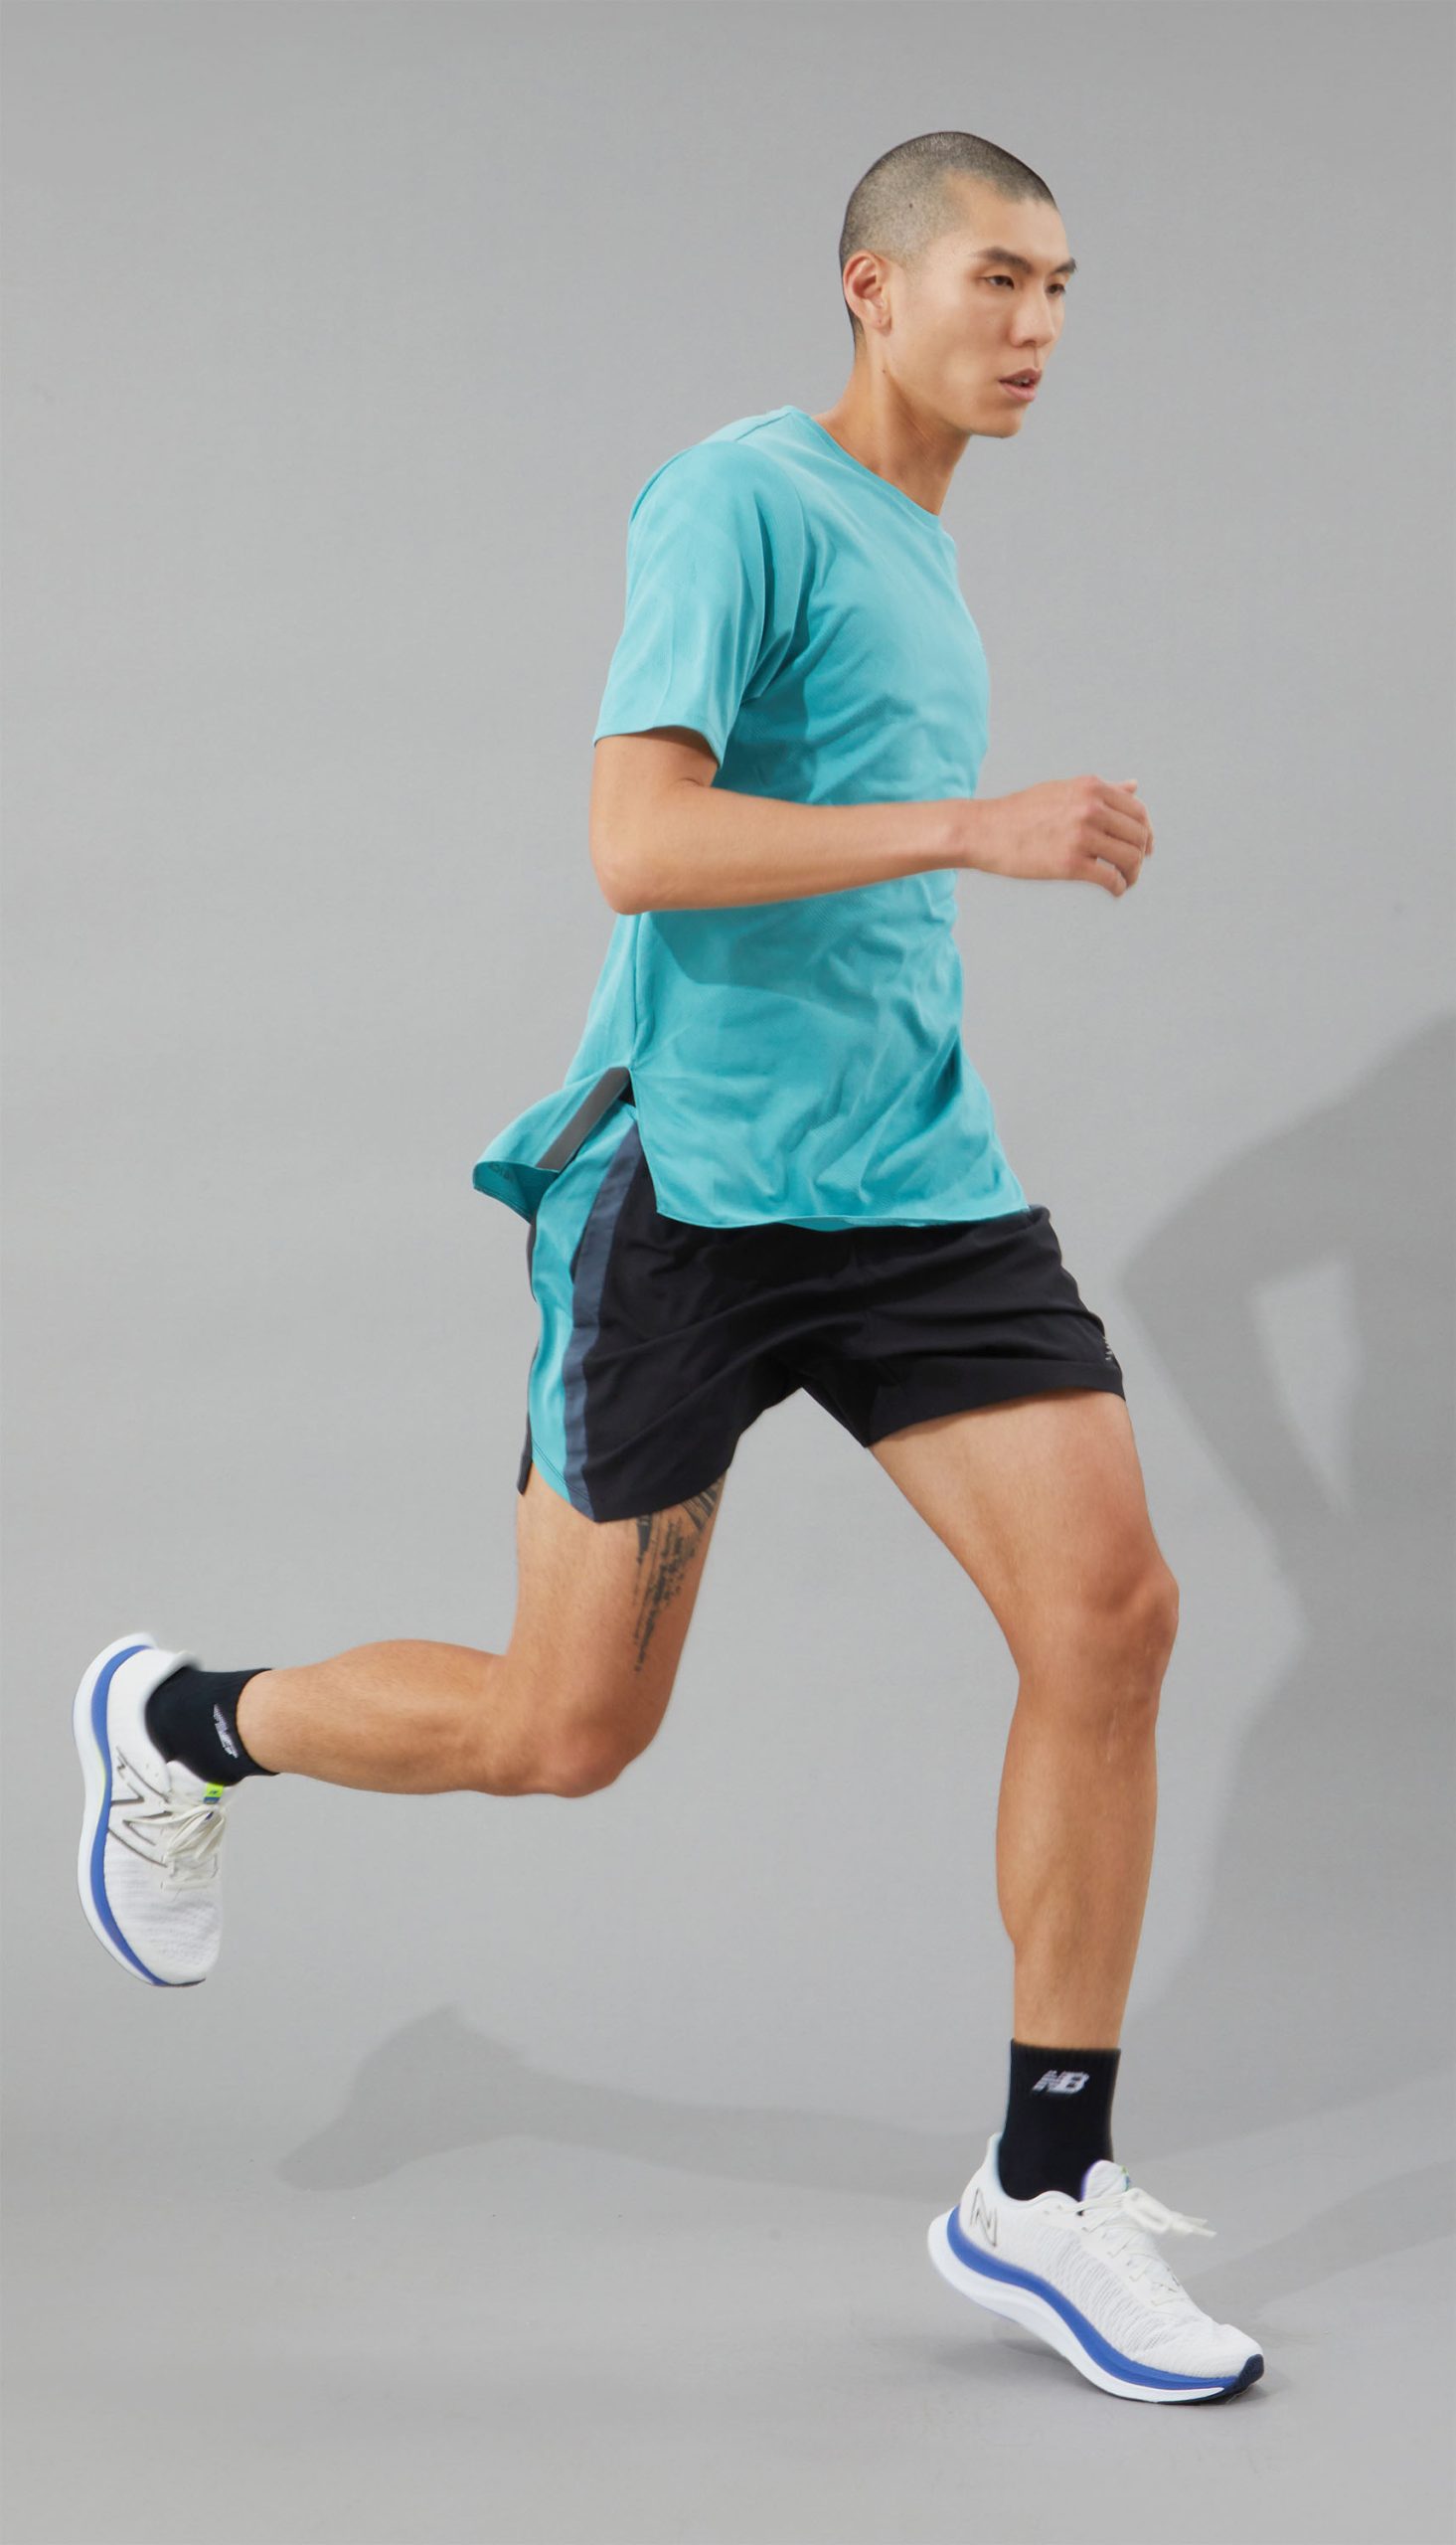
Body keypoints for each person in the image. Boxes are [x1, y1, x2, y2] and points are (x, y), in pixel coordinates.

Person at [74, 128, 1263, 2405]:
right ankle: (182, 1720)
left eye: (1061, 289)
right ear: (872, 287)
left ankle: (1042, 2180)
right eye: (997, 278)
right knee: (566, 1731)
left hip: (911, 1183)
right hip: (696, 1200)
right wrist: (974, 826)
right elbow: (636, 837)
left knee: (1111, 1615)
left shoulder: (921, 540)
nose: (1037, 326)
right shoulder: (737, 500)